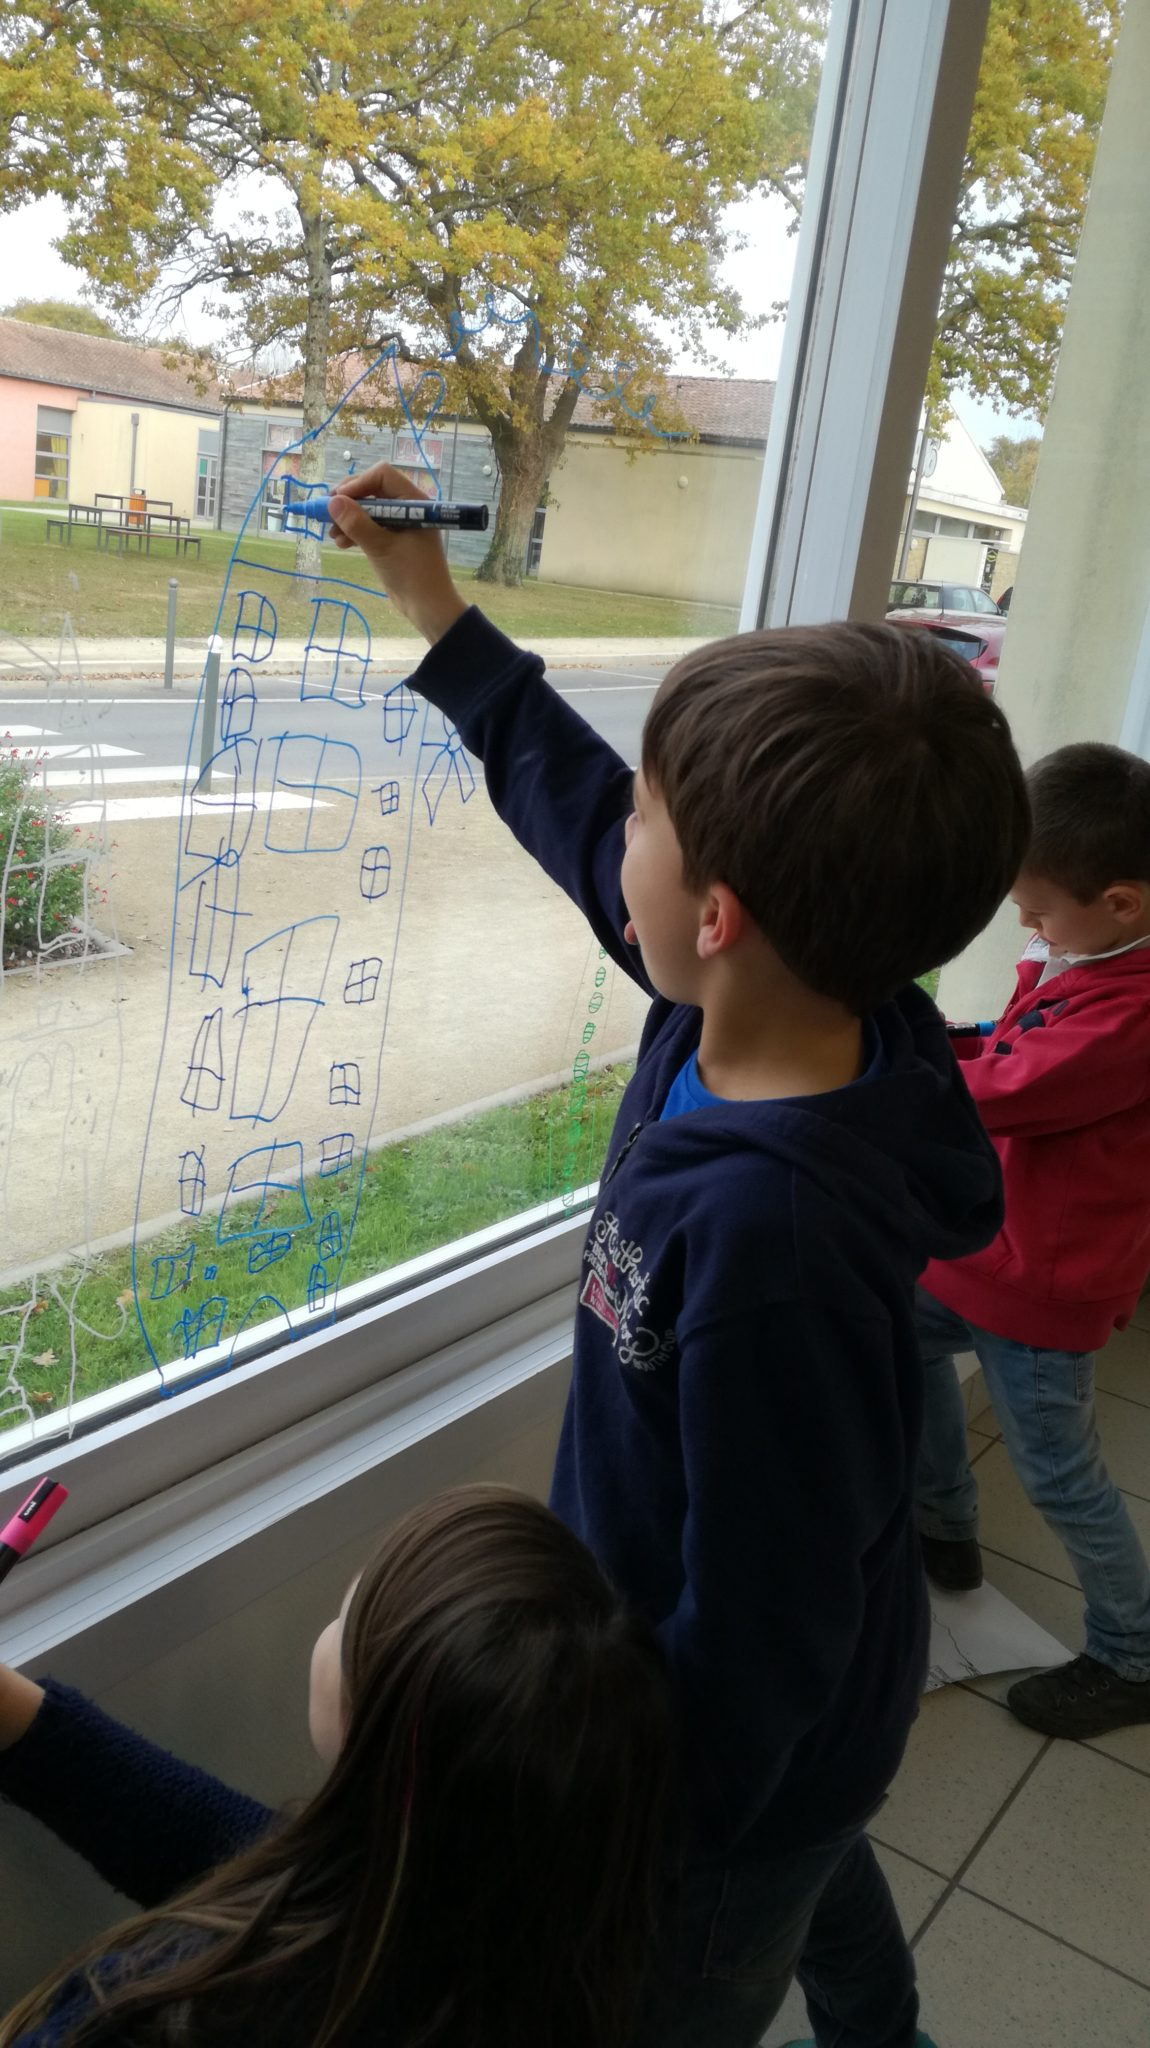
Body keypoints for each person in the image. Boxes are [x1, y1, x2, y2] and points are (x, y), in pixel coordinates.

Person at [326, 467, 1031, 2048]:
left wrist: (643, 1838)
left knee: (710, 1953)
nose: (617, 831)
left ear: (716, 913)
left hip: (700, 1773)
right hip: (772, 1729)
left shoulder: (773, 1240)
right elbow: (577, 812)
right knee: (817, 1868)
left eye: (646, 814)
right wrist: (432, 605)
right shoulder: (783, 1006)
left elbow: (770, 1623)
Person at [0, 1485, 675, 2047]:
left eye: (342, 1621)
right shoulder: (529, 1941)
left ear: (375, 1733)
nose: (328, 1632)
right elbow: (234, 1849)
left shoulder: (154, 2018)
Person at [914, 741, 1150, 1740]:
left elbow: (1010, 1088)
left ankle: (1133, 1652)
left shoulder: (1132, 1013)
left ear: (1122, 902)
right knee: (895, 1333)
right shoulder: (1085, 955)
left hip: (1045, 1288)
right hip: (984, 1248)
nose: (1026, 924)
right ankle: (943, 1525)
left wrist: (887, 1063)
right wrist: (941, 1038)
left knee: (1060, 1474)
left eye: (1038, 910)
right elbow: (1009, 1041)